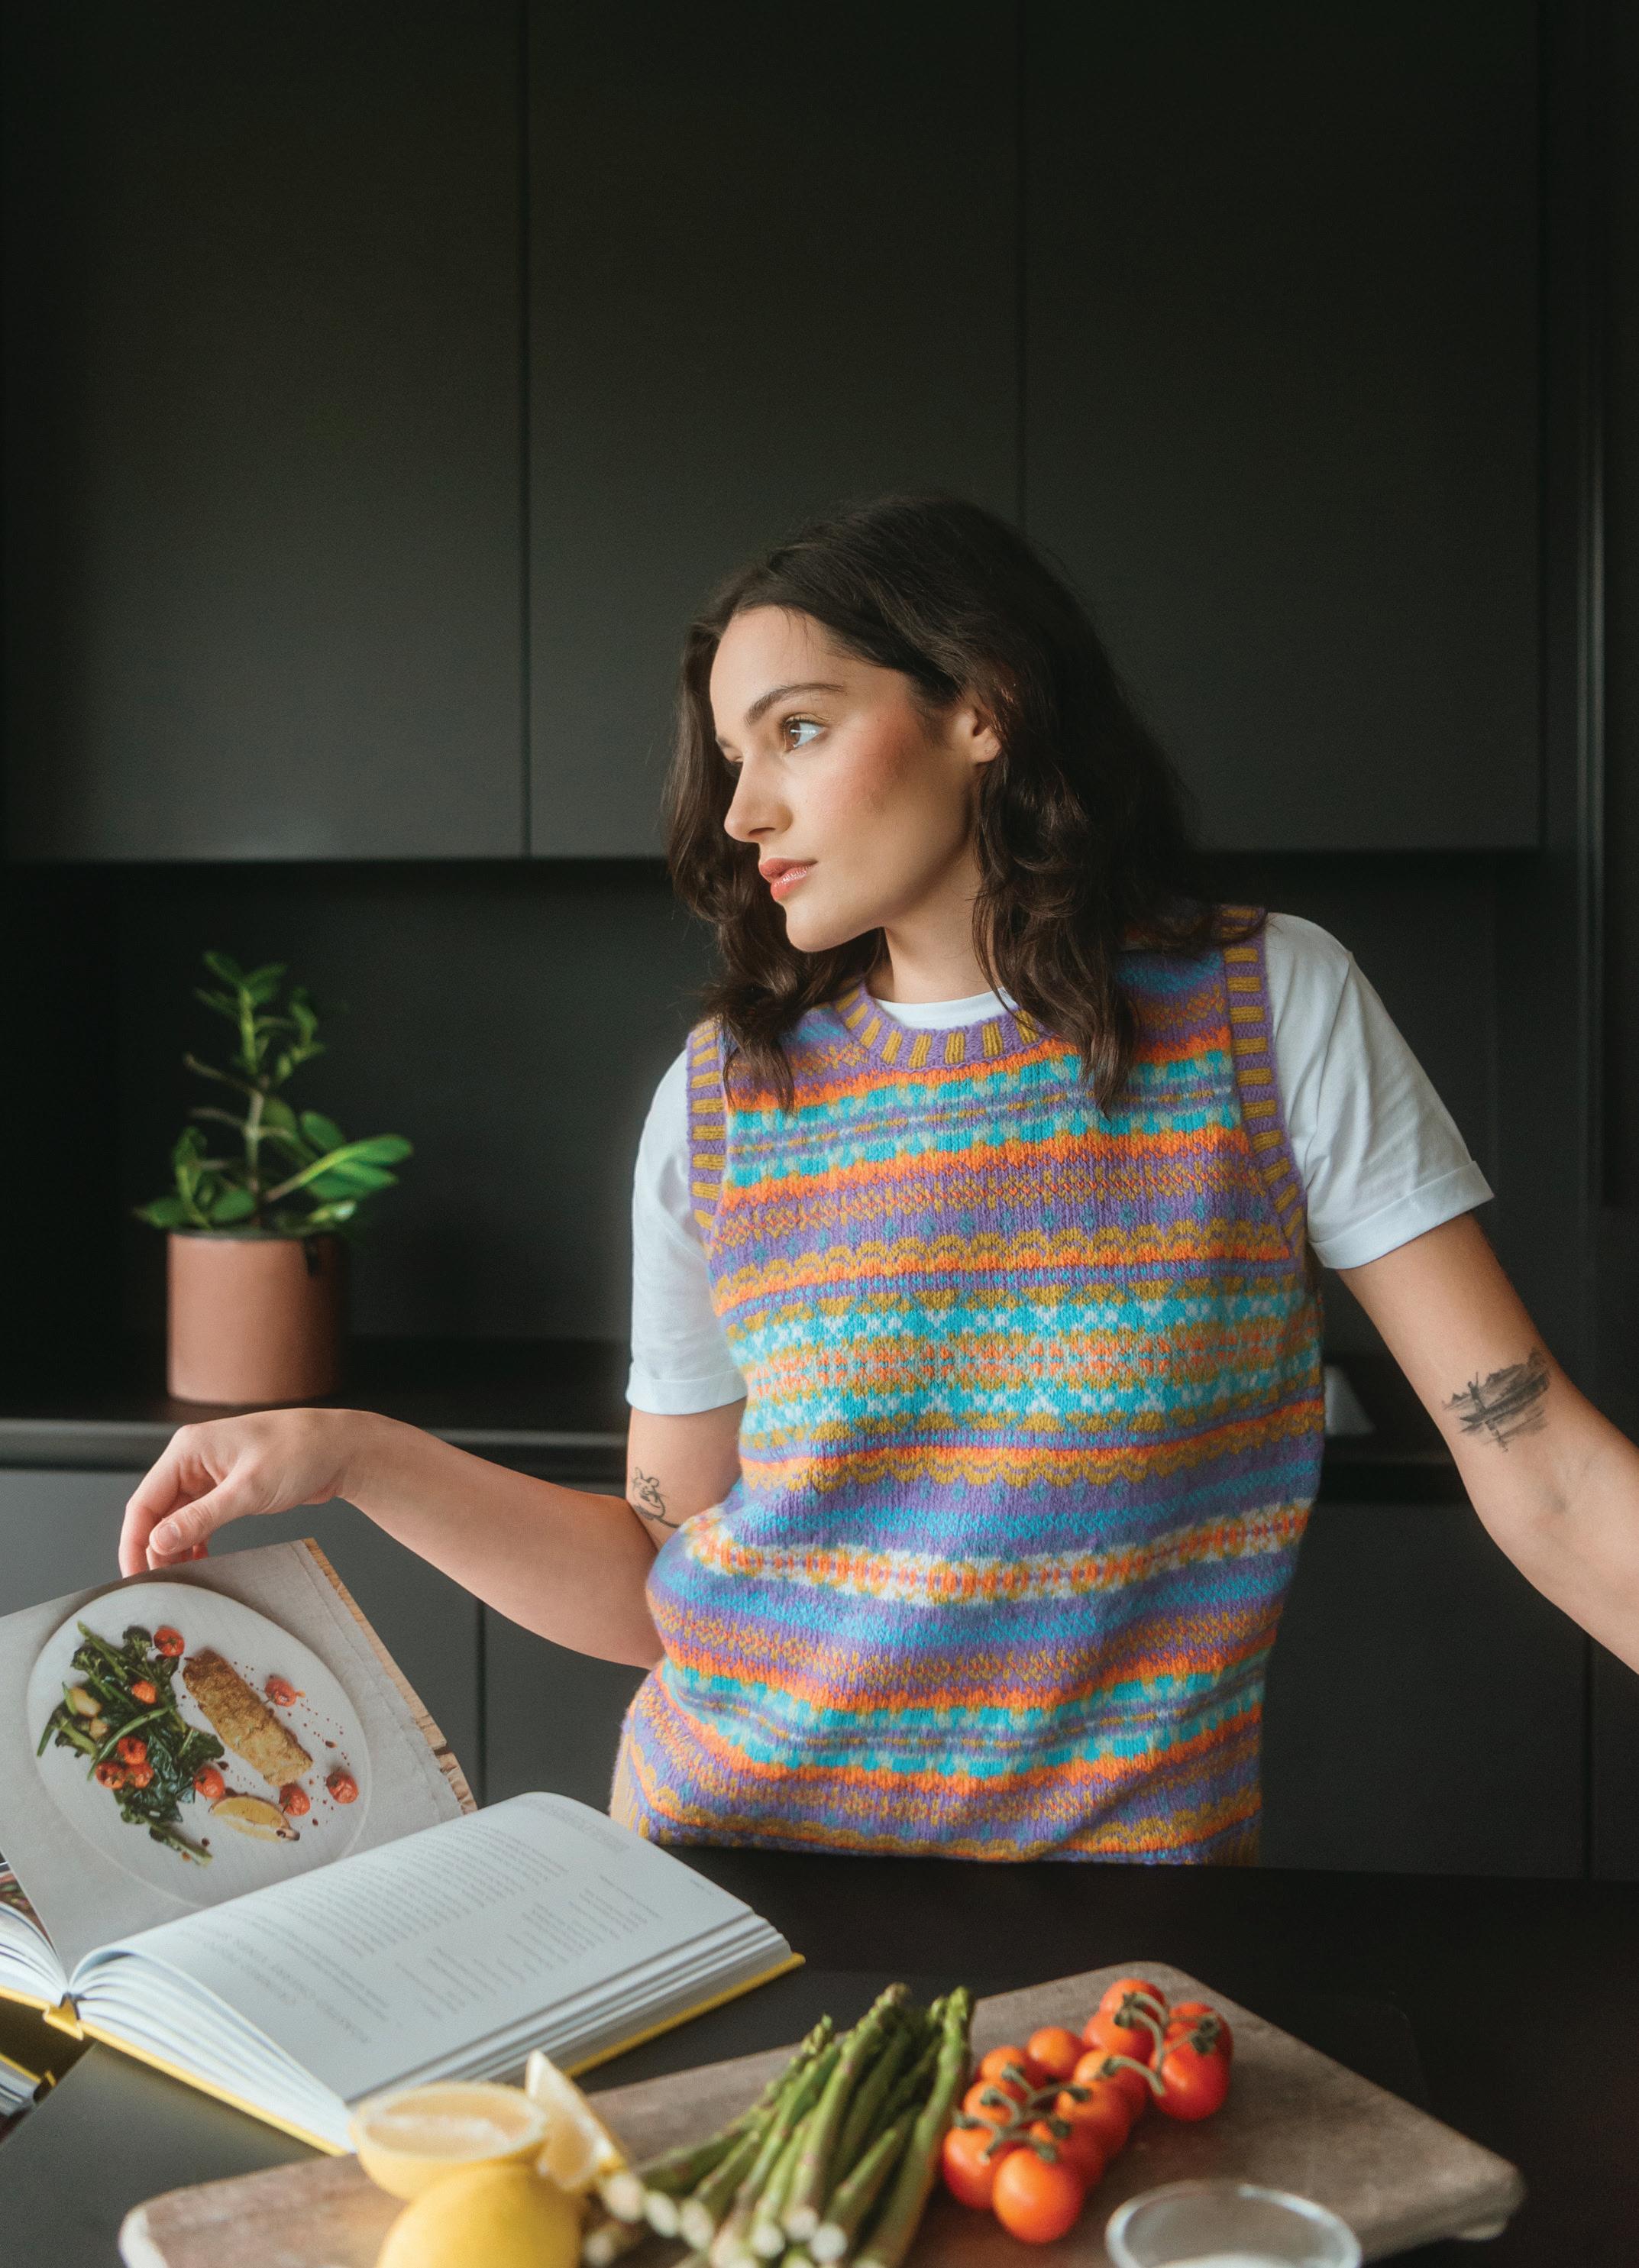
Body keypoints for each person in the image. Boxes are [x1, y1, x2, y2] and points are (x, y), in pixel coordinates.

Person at [121, 493, 1639, 1864]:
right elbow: (656, 1571)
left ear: (981, 705)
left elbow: (1549, 1476)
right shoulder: (722, 1097)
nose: (742, 813)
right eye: (731, 759)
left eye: (795, 729)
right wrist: (350, 1453)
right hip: (730, 1874)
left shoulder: (1264, 1010)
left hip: (1119, 1937)